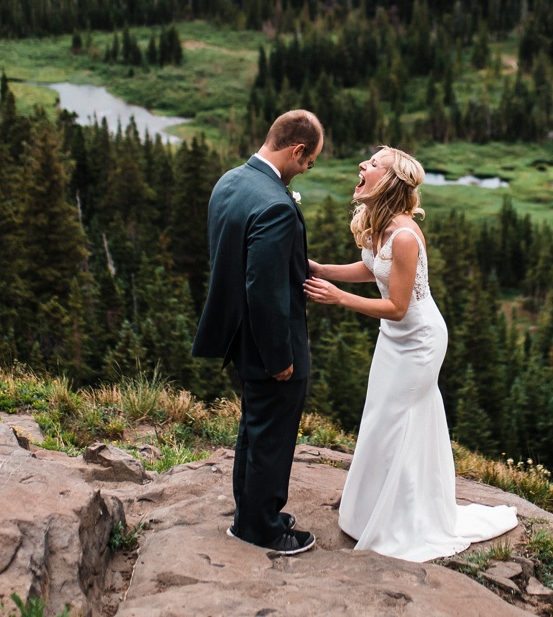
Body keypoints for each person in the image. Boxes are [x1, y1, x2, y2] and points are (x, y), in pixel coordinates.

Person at [304, 146, 518, 562]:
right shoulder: (381, 225)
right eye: (366, 161)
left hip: (418, 339)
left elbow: (398, 305)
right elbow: (373, 268)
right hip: (393, 338)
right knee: (381, 418)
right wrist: (320, 269)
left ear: (389, 182)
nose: (362, 166)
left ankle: (402, 521)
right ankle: (372, 514)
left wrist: (338, 298)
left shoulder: (403, 236)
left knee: (394, 420)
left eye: (373, 164)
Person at [192, 109, 324, 555]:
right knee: (272, 434)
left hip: (238, 334)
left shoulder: (230, 181)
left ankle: (251, 511)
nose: (306, 170)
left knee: (254, 427)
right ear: (297, 150)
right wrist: (280, 356)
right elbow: (264, 289)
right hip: (269, 341)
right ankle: (260, 529)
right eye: (308, 162)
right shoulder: (276, 205)